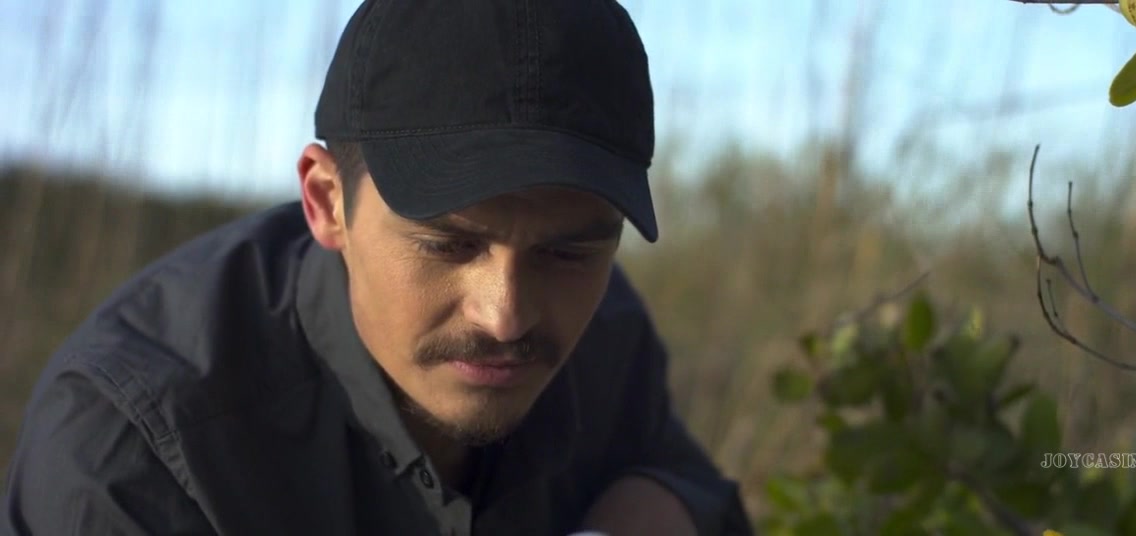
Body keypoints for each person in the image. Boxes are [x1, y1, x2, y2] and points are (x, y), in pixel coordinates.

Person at [0, 0, 753, 534]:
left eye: (568, 252)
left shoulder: (610, 329)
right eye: (448, 245)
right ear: (327, 202)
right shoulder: (134, 447)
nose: (507, 315)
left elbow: (687, 481)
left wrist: (640, 515)